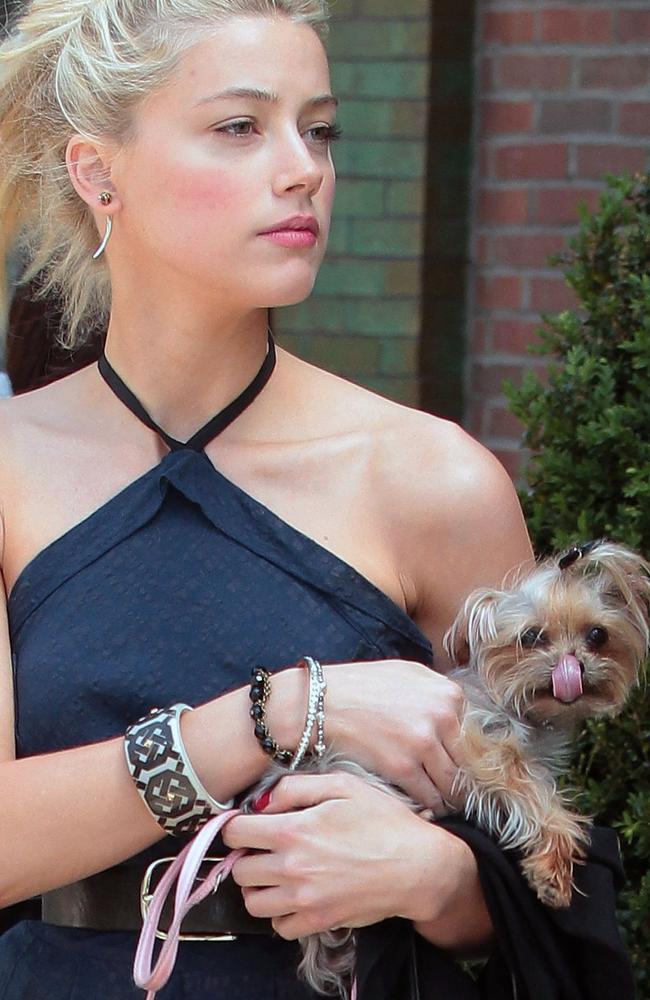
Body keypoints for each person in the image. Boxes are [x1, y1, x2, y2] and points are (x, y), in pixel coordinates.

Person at [0, 1, 634, 998]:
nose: (302, 168)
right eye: (240, 127)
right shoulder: (8, 467)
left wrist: (435, 878)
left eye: (319, 128)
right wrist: (278, 712)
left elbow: (552, 870)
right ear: (98, 172)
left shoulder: (431, 478)